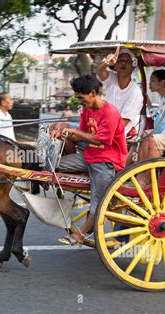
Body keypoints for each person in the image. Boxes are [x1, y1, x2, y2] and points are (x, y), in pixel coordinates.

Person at [52, 74, 127, 246]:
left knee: (98, 200)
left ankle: (81, 235)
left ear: (93, 93)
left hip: (107, 161)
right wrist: (64, 132)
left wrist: (74, 132)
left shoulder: (110, 112)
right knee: (55, 165)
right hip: (89, 156)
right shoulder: (87, 110)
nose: (79, 101)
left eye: (80, 97)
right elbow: (81, 136)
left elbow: (102, 140)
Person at [96, 46, 144, 139]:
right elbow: (100, 71)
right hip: (101, 129)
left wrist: (99, 131)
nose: (123, 63)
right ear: (115, 65)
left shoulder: (135, 92)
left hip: (114, 136)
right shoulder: (112, 79)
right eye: (120, 60)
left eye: (127, 61)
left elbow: (123, 122)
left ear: (132, 67)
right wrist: (107, 62)